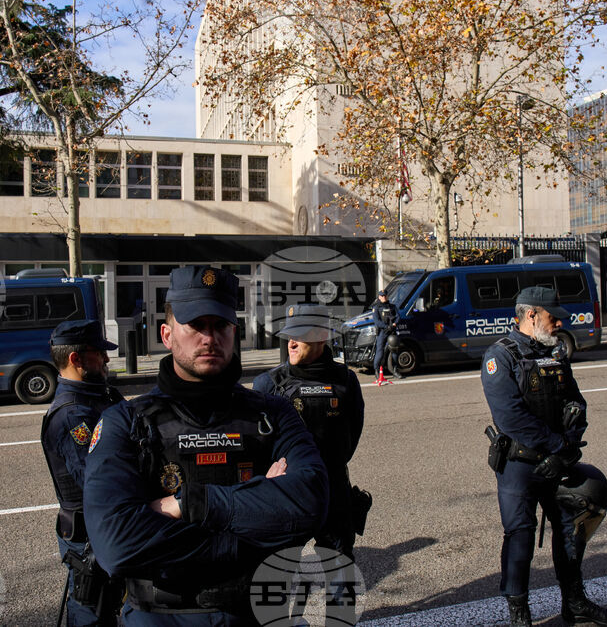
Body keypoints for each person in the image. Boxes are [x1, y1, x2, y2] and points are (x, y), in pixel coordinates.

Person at [83, 266, 329, 625]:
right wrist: (254, 523)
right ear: (167, 335)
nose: (209, 337)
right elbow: (116, 544)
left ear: (235, 332)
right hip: (162, 617)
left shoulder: (272, 413)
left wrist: (189, 504)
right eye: (196, 324)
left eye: (220, 325)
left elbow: (311, 504)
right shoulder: (126, 422)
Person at [481, 287, 607, 627]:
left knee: (571, 529)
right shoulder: (501, 356)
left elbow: (576, 404)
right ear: (531, 315)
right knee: (520, 536)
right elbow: (511, 418)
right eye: (551, 316)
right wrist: (558, 447)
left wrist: (568, 447)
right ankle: (519, 614)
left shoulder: (554, 353)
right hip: (520, 465)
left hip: (557, 460)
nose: (558, 322)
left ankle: (575, 602)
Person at [252, 303, 367, 558]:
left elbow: (351, 438)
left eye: (301, 335)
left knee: (339, 574)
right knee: (277, 577)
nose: (291, 343)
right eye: (290, 335)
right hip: (286, 495)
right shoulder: (267, 385)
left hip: (333, 492)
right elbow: (254, 447)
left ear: (322, 337)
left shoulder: (346, 381)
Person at [41, 320, 125, 625]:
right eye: (99, 353)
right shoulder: (71, 413)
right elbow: (99, 480)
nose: (105, 359)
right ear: (75, 359)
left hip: (109, 525)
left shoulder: (103, 395)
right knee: (92, 609)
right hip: (88, 534)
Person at [372, 290, 400, 378]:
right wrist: (386, 327)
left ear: (387, 296)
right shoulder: (376, 307)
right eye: (382, 296)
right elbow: (377, 321)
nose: (384, 297)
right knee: (380, 352)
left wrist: (394, 324)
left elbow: (398, 316)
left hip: (392, 331)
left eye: (385, 296)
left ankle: (395, 370)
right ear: (379, 297)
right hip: (382, 332)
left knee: (394, 351)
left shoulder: (392, 306)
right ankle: (377, 371)